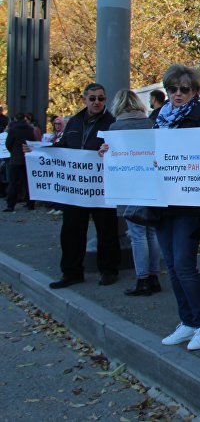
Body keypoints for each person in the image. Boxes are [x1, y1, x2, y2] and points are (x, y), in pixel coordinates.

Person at [154, 64, 200, 351]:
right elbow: (142, 150)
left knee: (184, 265)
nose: (177, 94)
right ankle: (187, 321)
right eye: (172, 89)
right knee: (171, 265)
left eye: (184, 89)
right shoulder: (156, 118)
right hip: (160, 202)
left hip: (189, 203)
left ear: (194, 92)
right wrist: (112, 151)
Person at [47, 84, 118, 289]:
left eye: (101, 99)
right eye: (93, 98)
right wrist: (39, 151)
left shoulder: (111, 123)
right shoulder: (74, 122)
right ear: (85, 99)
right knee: (71, 231)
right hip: (76, 189)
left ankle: (108, 270)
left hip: (100, 188)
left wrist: (109, 151)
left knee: (107, 230)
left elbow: (118, 151)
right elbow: (63, 147)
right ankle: (71, 272)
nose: (97, 102)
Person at [99, 90, 162, 297]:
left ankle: (142, 279)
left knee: (136, 235)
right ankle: (154, 277)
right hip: (151, 184)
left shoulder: (115, 128)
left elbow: (112, 159)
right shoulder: (151, 125)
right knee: (151, 232)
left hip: (128, 186)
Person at [4, 113, 37, 212]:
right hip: (27, 158)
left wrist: (13, 152)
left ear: (15, 119)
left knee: (13, 183)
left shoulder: (13, 130)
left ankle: (11, 205)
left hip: (15, 159)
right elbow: (33, 142)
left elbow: (8, 144)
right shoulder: (30, 130)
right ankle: (30, 204)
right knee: (28, 182)